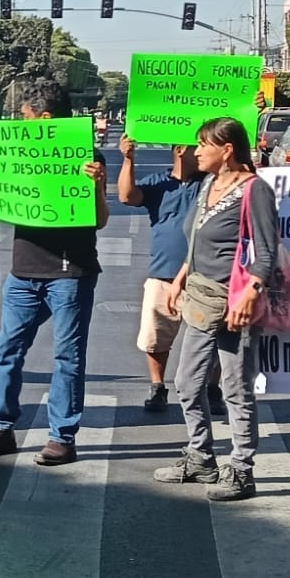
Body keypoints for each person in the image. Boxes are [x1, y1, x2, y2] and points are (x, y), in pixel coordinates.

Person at [0, 81, 109, 465]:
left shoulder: (85, 155)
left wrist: (97, 186)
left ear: (45, 118)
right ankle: (2, 428)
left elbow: (98, 220)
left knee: (67, 355)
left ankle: (61, 437)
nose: (21, 122)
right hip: (23, 273)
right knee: (5, 350)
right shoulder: (16, 157)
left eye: (26, 116)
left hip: (70, 273)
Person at [151, 118, 278, 501]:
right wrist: (180, 278)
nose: (196, 151)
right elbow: (197, 241)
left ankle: (241, 468)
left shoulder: (253, 190)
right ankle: (200, 456)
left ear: (226, 149)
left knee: (235, 386)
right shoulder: (208, 185)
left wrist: (249, 296)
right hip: (200, 300)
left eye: (203, 144)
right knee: (187, 383)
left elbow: (266, 253)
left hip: (233, 302)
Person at [117, 135, 215, 414]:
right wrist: (128, 159)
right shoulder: (157, 183)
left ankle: (213, 387)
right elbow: (127, 196)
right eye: (198, 146)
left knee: (215, 337)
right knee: (156, 336)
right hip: (164, 274)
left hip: (205, 276)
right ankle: (157, 386)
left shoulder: (210, 183)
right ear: (181, 149)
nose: (202, 152)